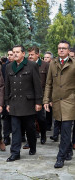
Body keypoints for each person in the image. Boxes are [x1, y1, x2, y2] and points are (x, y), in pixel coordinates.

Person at [5, 45, 43, 162]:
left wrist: (38, 102)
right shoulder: (9, 67)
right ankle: (15, 152)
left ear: (23, 53)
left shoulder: (32, 65)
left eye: (17, 52)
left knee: (30, 128)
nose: (15, 54)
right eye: (13, 52)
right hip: (15, 102)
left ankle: (32, 145)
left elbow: (37, 85)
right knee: (15, 129)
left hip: (28, 103)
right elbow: (7, 86)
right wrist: (7, 102)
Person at [44, 40, 75, 168]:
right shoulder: (53, 63)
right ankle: (68, 150)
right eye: (59, 48)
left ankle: (60, 157)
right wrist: (46, 100)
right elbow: (48, 84)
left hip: (70, 101)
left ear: (68, 51)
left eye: (64, 48)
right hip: (56, 101)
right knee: (62, 129)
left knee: (66, 129)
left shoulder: (74, 64)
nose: (61, 50)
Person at [28, 46, 49, 144]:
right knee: (29, 119)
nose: (30, 56)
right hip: (28, 97)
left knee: (41, 118)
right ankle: (30, 139)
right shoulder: (26, 64)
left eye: (32, 54)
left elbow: (49, 82)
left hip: (40, 96)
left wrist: (47, 98)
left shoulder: (45, 65)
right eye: (29, 54)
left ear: (38, 54)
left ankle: (43, 134)